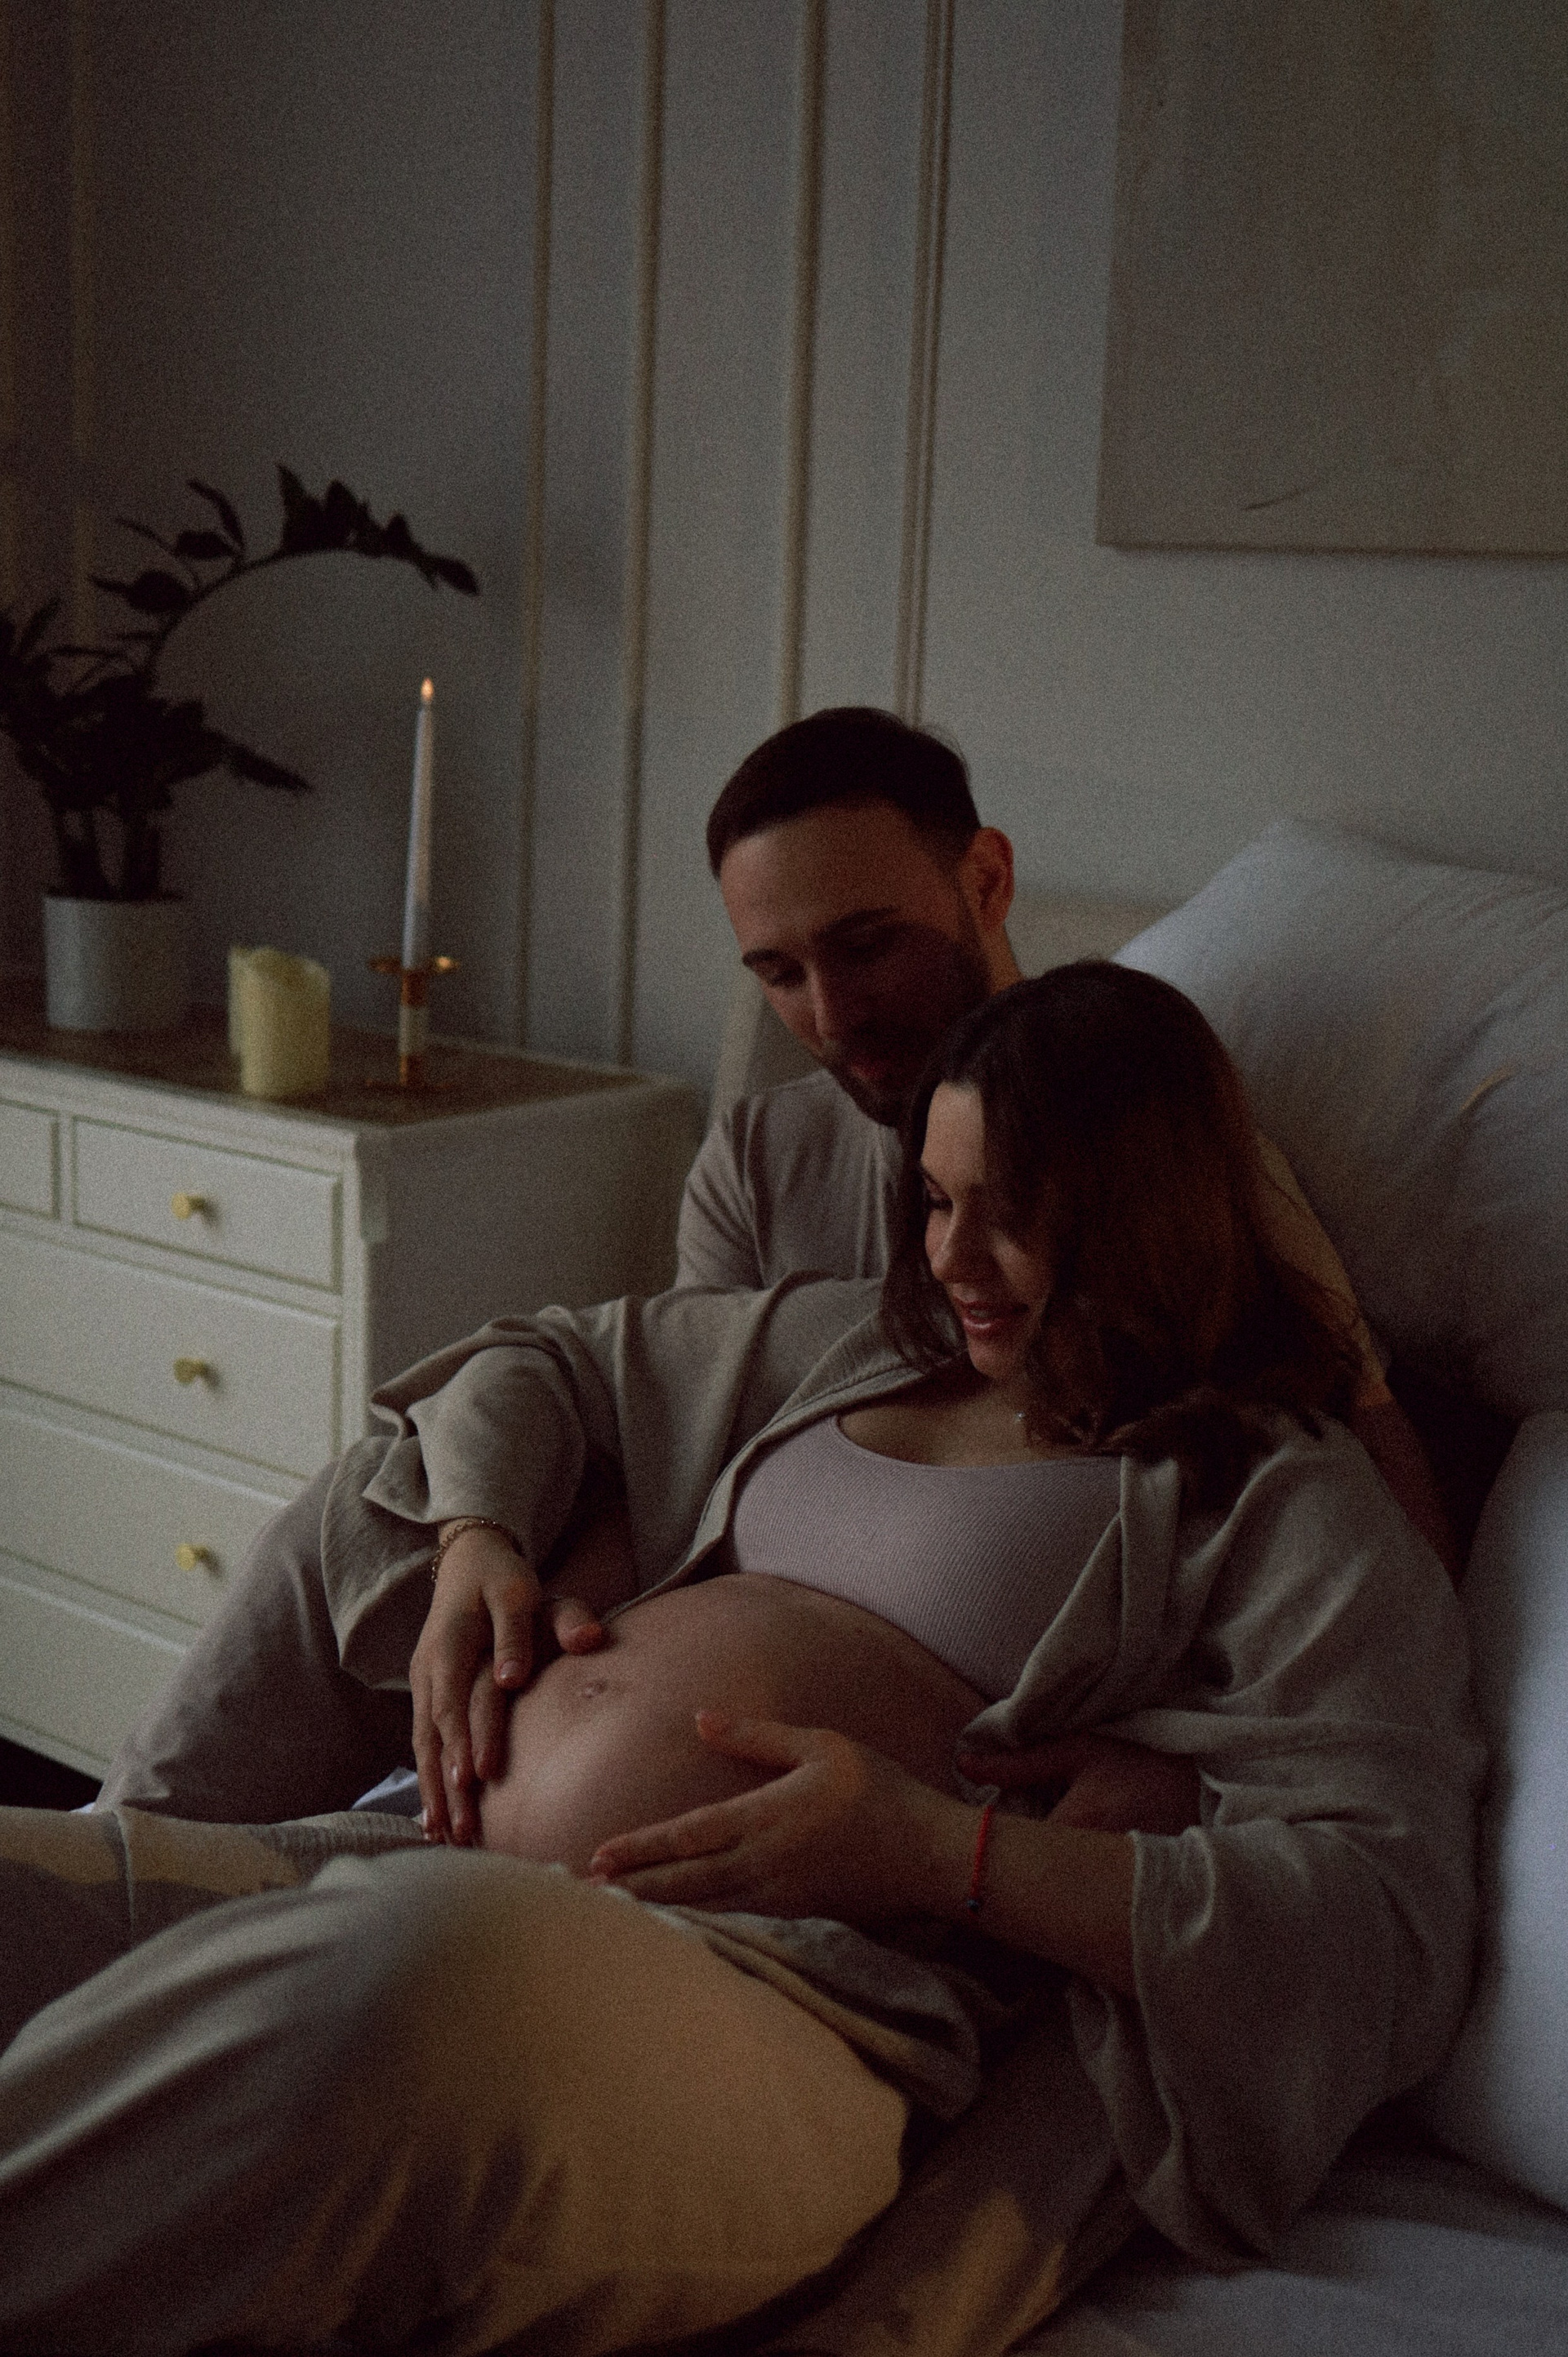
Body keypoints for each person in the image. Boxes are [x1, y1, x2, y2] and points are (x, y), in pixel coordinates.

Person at [1, 966, 1482, 2357]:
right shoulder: (857, 1347)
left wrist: (944, 1852)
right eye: (935, 1201)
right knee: (33, 1893)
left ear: (1146, 1215)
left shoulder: (1279, 1498)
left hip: (797, 2011)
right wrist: (478, 1540)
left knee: (408, 1989)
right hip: (433, 1854)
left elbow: (1387, 1922)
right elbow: (545, 1358)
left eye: (1014, 1215)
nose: (952, 1258)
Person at [96, 705, 1454, 1839]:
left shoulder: (1173, 1160)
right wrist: (493, 1556)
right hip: (662, 1645)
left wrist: (1191, 1786)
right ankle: (124, 1845)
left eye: (866, 946)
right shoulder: (762, 1155)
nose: (832, 1013)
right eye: (779, 970)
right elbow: (664, 1437)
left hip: (920, 1737)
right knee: (397, 1482)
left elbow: (1373, 1560)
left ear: (985, 881)